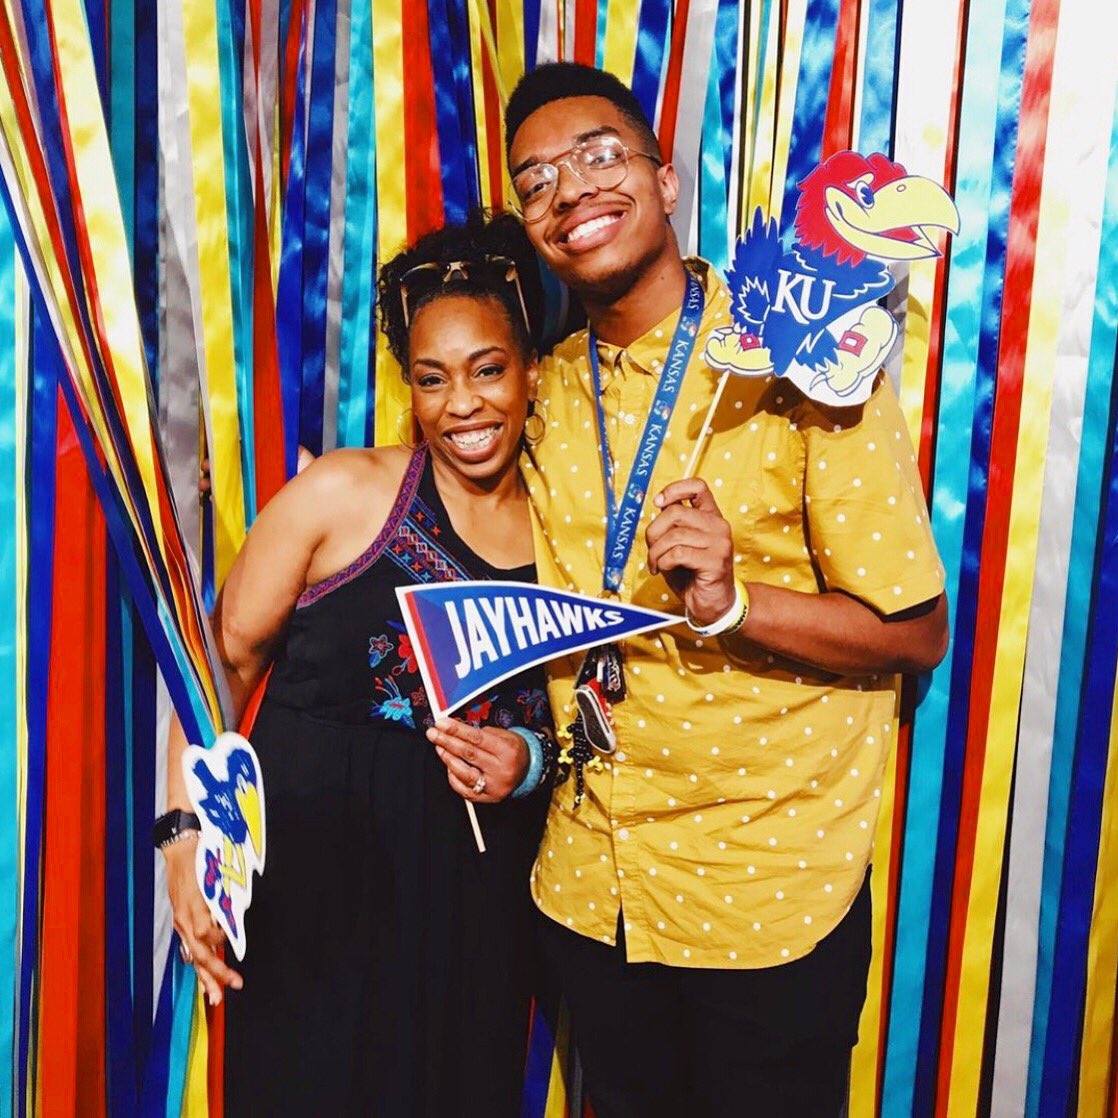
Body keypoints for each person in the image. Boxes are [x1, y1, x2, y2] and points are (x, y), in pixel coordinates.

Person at [504, 62, 950, 1117]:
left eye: (598, 155)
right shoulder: (546, 386)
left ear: (665, 181)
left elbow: (915, 630)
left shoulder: (797, 360)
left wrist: (734, 599)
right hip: (587, 887)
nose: (568, 190)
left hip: (764, 895)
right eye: (535, 182)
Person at [158, 212, 556, 1117]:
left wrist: (525, 758)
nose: (463, 404)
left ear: (532, 371)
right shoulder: (341, 492)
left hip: (475, 910)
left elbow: (590, 715)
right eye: (432, 379)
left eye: (488, 370)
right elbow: (218, 666)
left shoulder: (566, 530)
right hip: (314, 896)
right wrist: (184, 837)